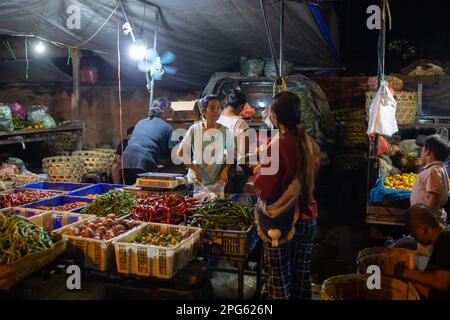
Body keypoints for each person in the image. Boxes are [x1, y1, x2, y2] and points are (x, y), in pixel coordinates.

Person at [253, 91, 321, 300]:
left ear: (275, 116)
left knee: (279, 279)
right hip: (308, 217)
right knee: (301, 278)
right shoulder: (308, 141)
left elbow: (266, 188)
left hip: (284, 222)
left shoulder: (280, 143)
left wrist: (258, 172)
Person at [177, 95, 232, 192]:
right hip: (196, 181)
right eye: (212, 107)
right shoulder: (194, 129)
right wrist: (196, 171)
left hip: (216, 182)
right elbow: (181, 153)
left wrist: (224, 171)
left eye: (219, 107)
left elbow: (231, 154)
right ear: (204, 111)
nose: (217, 111)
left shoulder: (225, 131)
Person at [394, 204, 450, 300]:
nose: (413, 237)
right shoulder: (445, 233)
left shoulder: (444, 239)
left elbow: (443, 283)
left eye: (412, 232)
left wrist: (405, 272)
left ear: (422, 228)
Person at [122, 97, 175, 185]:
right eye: (169, 110)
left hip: (125, 162)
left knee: (130, 191)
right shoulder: (168, 128)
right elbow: (171, 155)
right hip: (144, 162)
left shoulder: (140, 122)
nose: (169, 113)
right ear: (164, 111)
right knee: (146, 193)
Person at [217, 89, 251, 193]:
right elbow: (242, 156)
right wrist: (251, 172)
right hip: (227, 170)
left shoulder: (215, 118)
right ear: (241, 106)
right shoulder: (240, 123)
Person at [411, 134, 449, 224]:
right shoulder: (439, 169)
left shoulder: (433, 171)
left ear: (428, 151)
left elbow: (434, 198)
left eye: (423, 149)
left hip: (428, 221)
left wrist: (427, 219)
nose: (421, 152)